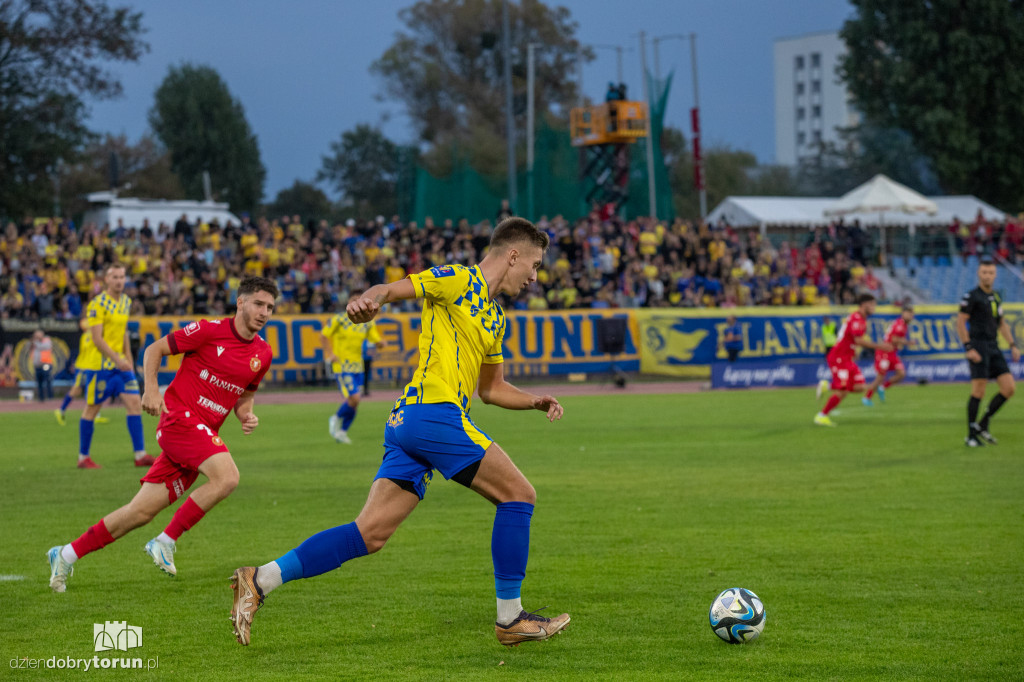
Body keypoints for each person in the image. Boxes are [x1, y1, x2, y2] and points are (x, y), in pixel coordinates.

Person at [228, 217, 569, 648]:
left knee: (369, 534)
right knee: (519, 495)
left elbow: (491, 389)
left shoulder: (495, 317)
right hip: (433, 414)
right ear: (513, 254)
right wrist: (366, 302)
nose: (536, 277)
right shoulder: (458, 279)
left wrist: (535, 400)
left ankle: (260, 579)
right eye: (535, 264)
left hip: (409, 424)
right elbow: (390, 290)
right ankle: (510, 618)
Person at [47, 276, 278, 592]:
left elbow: (244, 394)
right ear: (240, 302)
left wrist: (246, 414)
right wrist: (151, 390)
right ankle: (165, 541)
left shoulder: (263, 354)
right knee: (227, 477)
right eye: (258, 303)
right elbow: (155, 349)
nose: (264, 312)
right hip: (179, 419)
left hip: (199, 435)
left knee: (139, 512)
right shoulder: (209, 330)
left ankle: (65, 554)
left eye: (270, 307)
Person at [75, 264, 154, 469]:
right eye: (115, 277)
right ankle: (83, 457)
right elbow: (97, 339)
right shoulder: (97, 304)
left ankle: (140, 455)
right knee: (92, 409)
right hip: (99, 365)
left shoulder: (126, 302)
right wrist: (118, 359)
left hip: (121, 366)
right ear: (107, 280)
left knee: (135, 404)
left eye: (122, 277)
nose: (119, 281)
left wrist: (128, 359)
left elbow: (124, 333)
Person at [957, 258, 1019, 446]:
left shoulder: (996, 296)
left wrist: (1012, 344)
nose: (987, 276)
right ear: (978, 273)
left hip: (994, 346)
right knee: (979, 390)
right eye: (984, 272)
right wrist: (968, 347)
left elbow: (1001, 323)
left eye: (991, 273)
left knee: (1009, 389)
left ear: (995, 274)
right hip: (978, 345)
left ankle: (983, 424)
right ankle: (970, 435)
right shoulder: (971, 296)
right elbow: (960, 322)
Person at [814, 293, 892, 427]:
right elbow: (858, 340)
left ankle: (827, 386)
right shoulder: (856, 319)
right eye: (872, 304)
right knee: (843, 390)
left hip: (847, 357)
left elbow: (852, 340)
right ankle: (821, 416)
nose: (874, 307)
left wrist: (853, 352)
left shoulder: (861, 320)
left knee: (859, 387)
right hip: (838, 357)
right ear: (864, 305)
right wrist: (881, 346)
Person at [320, 293, 384, 444]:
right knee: (354, 398)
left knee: (355, 401)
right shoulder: (340, 319)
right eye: (353, 300)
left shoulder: (367, 322)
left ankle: (342, 432)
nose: (356, 303)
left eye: (359, 300)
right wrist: (330, 354)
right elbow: (323, 335)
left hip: (358, 366)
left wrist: (381, 343)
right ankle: (335, 417)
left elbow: (375, 339)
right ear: (348, 302)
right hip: (342, 366)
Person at [55, 316, 109, 425]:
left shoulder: (89, 335)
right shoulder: (90, 336)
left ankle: (95, 415)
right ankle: (61, 410)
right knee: (77, 390)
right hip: (84, 366)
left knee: (91, 390)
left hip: (91, 366)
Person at [863, 304, 915, 406]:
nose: (910, 316)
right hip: (884, 352)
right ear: (903, 314)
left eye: (912, 314)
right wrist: (908, 342)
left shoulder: (903, 325)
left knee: (901, 373)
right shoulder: (900, 325)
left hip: (892, 352)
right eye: (909, 314)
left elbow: (895, 340)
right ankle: (867, 397)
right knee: (880, 377)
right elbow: (894, 339)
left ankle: (882, 387)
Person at [815, 315, 839, 398]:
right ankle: (828, 383)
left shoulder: (833, 326)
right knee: (830, 362)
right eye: (825, 320)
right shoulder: (823, 327)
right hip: (827, 347)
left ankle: (826, 385)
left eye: (827, 320)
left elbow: (837, 336)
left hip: (834, 346)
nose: (826, 321)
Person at [31, 329, 55, 401]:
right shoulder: (34, 343)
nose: (37, 336)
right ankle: (41, 398)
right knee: (39, 382)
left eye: (38, 335)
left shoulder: (46, 340)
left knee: (48, 380)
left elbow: (44, 347)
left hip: (46, 364)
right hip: (37, 365)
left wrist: (36, 342)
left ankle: (50, 397)